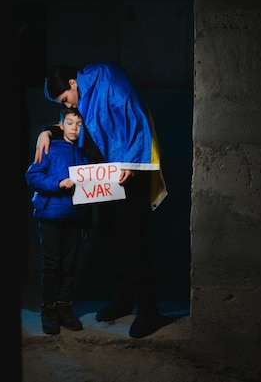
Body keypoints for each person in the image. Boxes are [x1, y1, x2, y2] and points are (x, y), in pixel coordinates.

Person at [35, 61, 168, 338]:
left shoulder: (107, 79)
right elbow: (72, 125)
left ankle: (148, 310)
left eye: (65, 99)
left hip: (129, 171)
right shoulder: (82, 98)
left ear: (73, 83)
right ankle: (122, 300)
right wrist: (46, 131)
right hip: (104, 175)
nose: (68, 106)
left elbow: (134, 114)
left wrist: (131, 162)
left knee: (130, 239)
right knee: (108, 236)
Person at [25, 107, 92, 335]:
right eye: (70, 123)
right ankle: (49, 310)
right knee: (52, 265)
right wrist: (58, 184)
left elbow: (91, 188)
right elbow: (32, 176)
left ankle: (65, 308)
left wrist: (87, 220)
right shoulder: (49, 147)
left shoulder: (83, 152)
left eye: (79, 124)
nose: (75, 128)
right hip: (51, 215)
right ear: (61, 125)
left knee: (70, 265)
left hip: (75, 218)